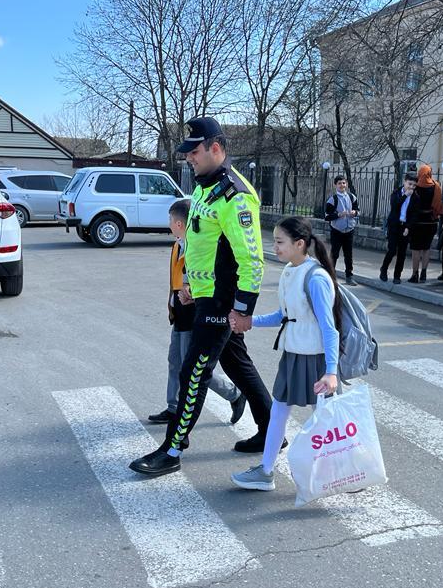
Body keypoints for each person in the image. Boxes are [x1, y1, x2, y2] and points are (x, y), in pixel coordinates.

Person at [130, 117, 274, 477]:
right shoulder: (203, 186)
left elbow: (252, 259)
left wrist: (242, 310)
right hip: (204, 295)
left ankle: (173, 448)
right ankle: (271, 432)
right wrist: (192, 282)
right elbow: (201, 241)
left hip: (221, 302)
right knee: (237, 366)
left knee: (192, 371)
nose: (188, 158)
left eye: (193, 152)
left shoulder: (235, 195)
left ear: (215, 147)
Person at [230, 217, 340, 491]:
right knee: (279, 412)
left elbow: (330, 328)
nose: (275, 247)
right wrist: (250, 321)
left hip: (314, 358)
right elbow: (285, 315)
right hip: (293, 353)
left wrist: (331, 371)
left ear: (299, 244)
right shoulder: (292, 271)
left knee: (323, 419)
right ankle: (266, 471)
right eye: (275, 241)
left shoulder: (315, 278)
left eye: (280, 242)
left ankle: (339, 470)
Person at [148, 198, 249, 427]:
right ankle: (173, 407)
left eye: (171, 220)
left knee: (192, 367)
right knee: (175, 361)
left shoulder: (200, 247)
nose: (169, 224)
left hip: (195, 313)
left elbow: (209, 280)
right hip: (180, 313)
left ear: (180, 224)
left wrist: (191, 293)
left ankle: (233, 393)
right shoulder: (178, 245)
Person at [407, 164, 443, 283]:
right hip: (430, 222)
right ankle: (424, 273)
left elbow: (409, 204)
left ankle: (415, 274)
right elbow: (438, 205)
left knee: (416, 250)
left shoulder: (415, 187)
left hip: (417, 222)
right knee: (426, 249)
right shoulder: (436, 186)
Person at [380, 172, 417, 284]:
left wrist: (408, 227)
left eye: (414, 185)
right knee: (391, 250)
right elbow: (395, 206)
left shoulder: (415, 197)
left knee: (402, 253)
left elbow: (414, 214)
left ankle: (397, 275)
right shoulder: (396, 193)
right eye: (409, 184)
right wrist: (405, 195)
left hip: (404, 227)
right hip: (394, 226)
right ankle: (384, 270)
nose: (411, 187)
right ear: (404, 182)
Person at [324, 174, 360, 286]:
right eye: (339, 183)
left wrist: (355, 213)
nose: (342, 185)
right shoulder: (332, 200)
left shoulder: (352, 197)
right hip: (337, 230)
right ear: (335, 185)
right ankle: (331, 276)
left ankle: (349, 276)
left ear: (346, 184)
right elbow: (327, 216)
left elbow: (357, 210)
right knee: (334, 254)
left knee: (348, 254)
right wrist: (339, 214)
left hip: (349, 230)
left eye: (344, 183)